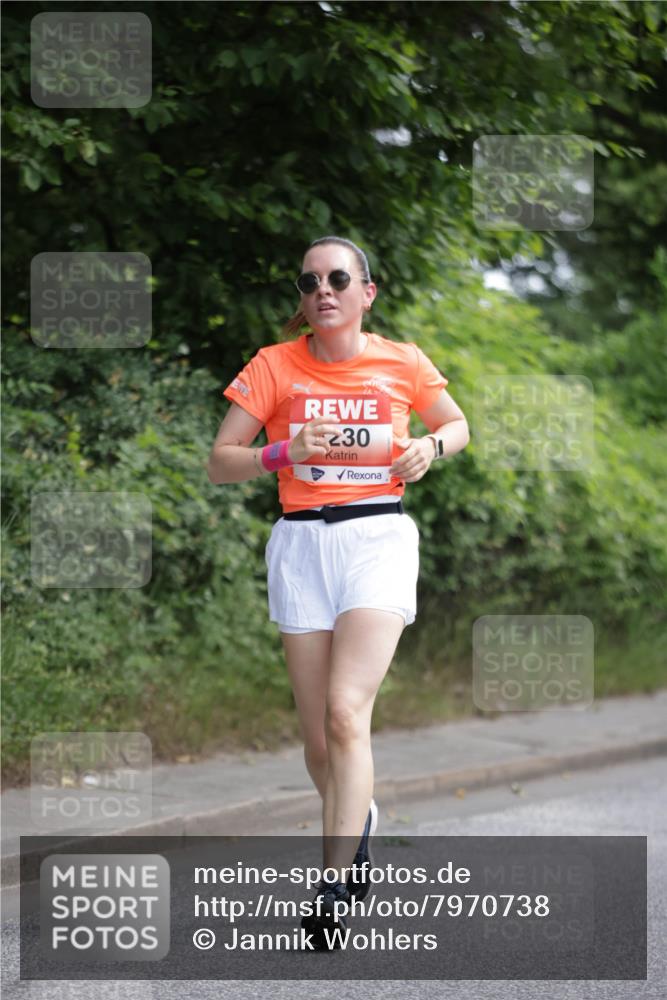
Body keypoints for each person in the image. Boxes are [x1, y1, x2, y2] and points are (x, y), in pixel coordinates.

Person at [207, 235, 470, 949]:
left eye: (337, 278)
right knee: (319, 740)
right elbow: (219, 463)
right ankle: (359, 820)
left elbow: (456, 424)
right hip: (301, 544)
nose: (322, 288)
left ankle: (334, 882)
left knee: (346, 714)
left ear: (365, 292)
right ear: (302, 297)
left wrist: (431, 447)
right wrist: (283, 450)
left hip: (376, 541)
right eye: (310, 280)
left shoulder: (402, 360)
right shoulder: (273, 366)